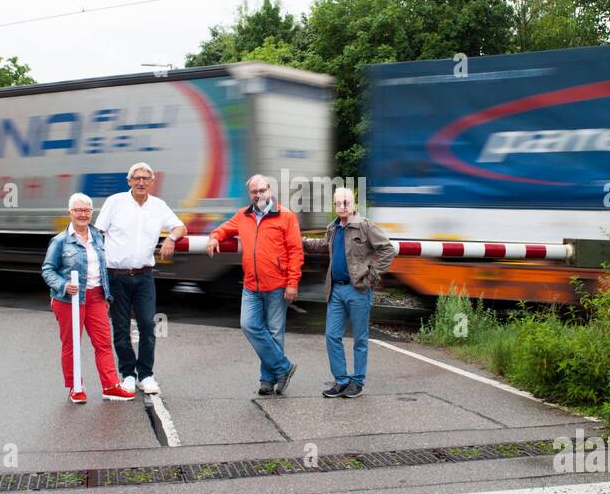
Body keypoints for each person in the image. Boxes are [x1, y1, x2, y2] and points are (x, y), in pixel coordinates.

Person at [93, 162, 186, 397]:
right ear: (129, 181)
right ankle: (128, 375)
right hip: (117, 277)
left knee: (147, 324)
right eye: (137, 178)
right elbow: (98, 233)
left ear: (152, 181)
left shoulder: (158, 206)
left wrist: (171, 239)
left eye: (146, 178)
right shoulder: (115, 202)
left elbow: (180, 226)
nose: (141, 182)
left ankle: (146, 374)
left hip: (144, 277)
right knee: (121, 329)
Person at [206, 174, 304, 396]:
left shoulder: (286, 216)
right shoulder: (243, 215)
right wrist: (214, 237)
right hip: (251, 285)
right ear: (249, 194)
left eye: (262, 190)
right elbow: (223, 229)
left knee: (274, 333)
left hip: (278, 285)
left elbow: (296, 252)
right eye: (254, 191)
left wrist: (292, 283)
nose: (258, 195)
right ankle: (284, 368)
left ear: (269, 190)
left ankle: (267, 380)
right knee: (249, 325)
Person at [41, 193, 136, 404]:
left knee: (103, 343)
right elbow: (48, 270)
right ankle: (76, 387)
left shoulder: (98, 237)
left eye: (86, 210)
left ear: (91, 213)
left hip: (96, 297)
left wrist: (107, 295)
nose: (82, 214)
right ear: (70, 213)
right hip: (68, 300)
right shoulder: (59, 241)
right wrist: (64, 285)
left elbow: (103, 267)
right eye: (78, 210)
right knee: (72, 344)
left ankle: (111, 386)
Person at [302, 187, 396, 397]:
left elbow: (387, 249)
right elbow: (323, 245)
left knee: (360, 339)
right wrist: (301, 242)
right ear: (334, 206)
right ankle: (341, 380)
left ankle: (357, 382)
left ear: (353, 203)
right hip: (335, 290)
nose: (342, 206)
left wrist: (372, 277)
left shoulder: (365, 226)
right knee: (332, 336)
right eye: (338, 203)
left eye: (346, 202)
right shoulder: (333, 228)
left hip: (358, 290)